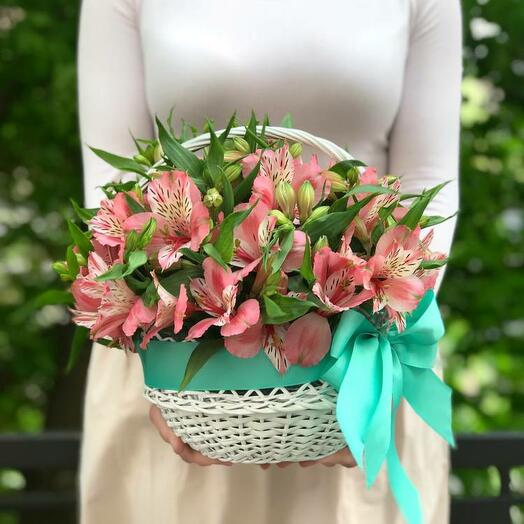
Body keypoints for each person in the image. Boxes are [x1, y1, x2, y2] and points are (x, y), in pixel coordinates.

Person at [78, 0, 462, 522]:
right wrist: (165, 378)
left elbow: (429, 191)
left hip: (367, 358)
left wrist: (379, 371)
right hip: (166, 360)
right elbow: (111, 196)